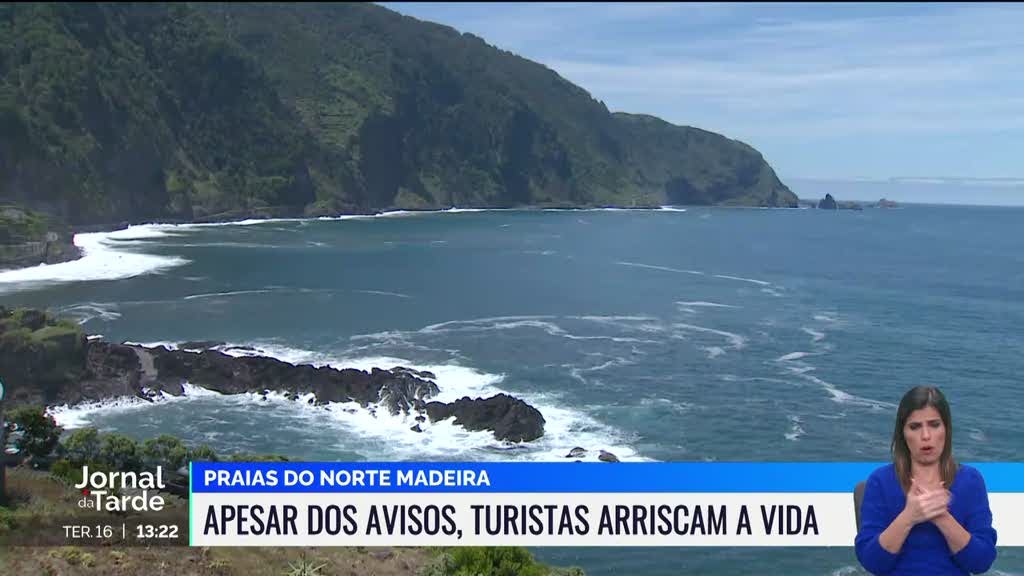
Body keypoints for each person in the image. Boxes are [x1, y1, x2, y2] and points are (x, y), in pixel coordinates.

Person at [855, 386, 997, 575]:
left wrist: (941, 516)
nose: (926, 436)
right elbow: (872, 563)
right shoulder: (880, 481)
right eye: (915, 427)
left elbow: (981, 562)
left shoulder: (970, 481)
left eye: (934, 424)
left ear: (946, 429)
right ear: (903, 434)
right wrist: (909, 516)